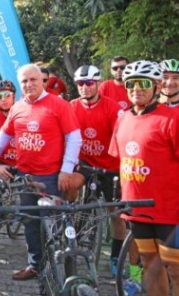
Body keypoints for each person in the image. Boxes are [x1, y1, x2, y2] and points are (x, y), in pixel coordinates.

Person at [0, 63, 82, 281]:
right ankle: (35, 265)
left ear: (42, 81)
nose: (29, 84)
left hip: (51, 176)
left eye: (33, 80)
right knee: (30, 223)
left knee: (53, 224)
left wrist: (66, 170)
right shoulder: (18, 107)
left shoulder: (59, 105)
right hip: (25, 176)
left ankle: (60, 269)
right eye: (24, 81)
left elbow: (74, 138)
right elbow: (5, 133)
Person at [109, 60, 179, 296]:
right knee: (149, 262)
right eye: (131, 83)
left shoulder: (172, 118)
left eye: (144, 83)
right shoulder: (123, 118)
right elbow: (121, 160)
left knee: (175, 268)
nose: (136, 88)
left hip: (170, 210)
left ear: (157, 86)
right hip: (137, 209)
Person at [69, 65, 125, 275]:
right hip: (84, 163)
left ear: (98, 84)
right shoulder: (72, 106)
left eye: (89, 83)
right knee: (69, 185)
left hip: (110, 166)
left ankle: (116, 256)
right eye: (80, 83)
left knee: (116, 214)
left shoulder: (112, 108)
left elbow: (122, 138)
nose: (84, 87)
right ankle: (68, 220)